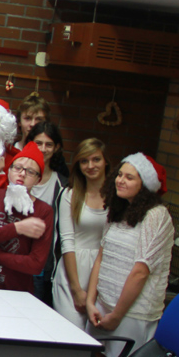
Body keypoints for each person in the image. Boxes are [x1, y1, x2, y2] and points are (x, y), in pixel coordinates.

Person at [76, 153, 174, 357]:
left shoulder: (156, 216)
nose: (120, 180)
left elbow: (141, 271)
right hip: (102, 307)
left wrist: (116, 315)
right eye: (120, 174)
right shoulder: (118, 211)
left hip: (131, 315)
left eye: (129, 177)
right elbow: (102, 256)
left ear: (145, 185)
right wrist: (91, 301)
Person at [0, 142, 54, 294]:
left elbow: (35, 265)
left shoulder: (43, 211)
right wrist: (17, 228)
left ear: (38, 180)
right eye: (17, 168)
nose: (22, 174)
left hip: (17, 292)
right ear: (9, 170)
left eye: (30, 172)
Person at [53, 138, 110, 329]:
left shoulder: (116, 198)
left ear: (106, 162)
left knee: (96, 336)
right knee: (71, 331)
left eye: (96, 159)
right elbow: (67, 242)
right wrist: (76, 290)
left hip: (104, 271)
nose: (90, 166)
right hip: (73, 271)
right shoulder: (70, 195)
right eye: (84, 161)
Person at [24, 120, 69, 305]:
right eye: (38, 143)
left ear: (57, 147)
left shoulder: (63, 184)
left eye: (49, 144)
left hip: (43, 264)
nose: (43, 149)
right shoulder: (18, 176)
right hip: (15, 256)